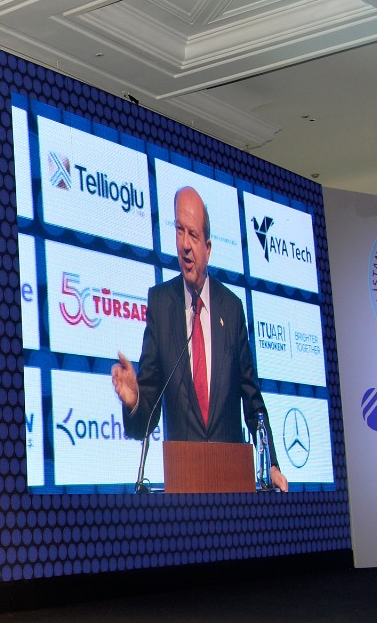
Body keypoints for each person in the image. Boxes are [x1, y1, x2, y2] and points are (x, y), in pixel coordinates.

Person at [111, 186, 289, 491]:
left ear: (208, 247)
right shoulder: (161, 305)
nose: (184, 245)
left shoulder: (231, 308)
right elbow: (146, 419)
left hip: (232, 486)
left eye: (193, 235)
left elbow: (252, 399)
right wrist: (135, 400)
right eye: (179, 230)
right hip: (185, 490)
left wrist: (271, 463)